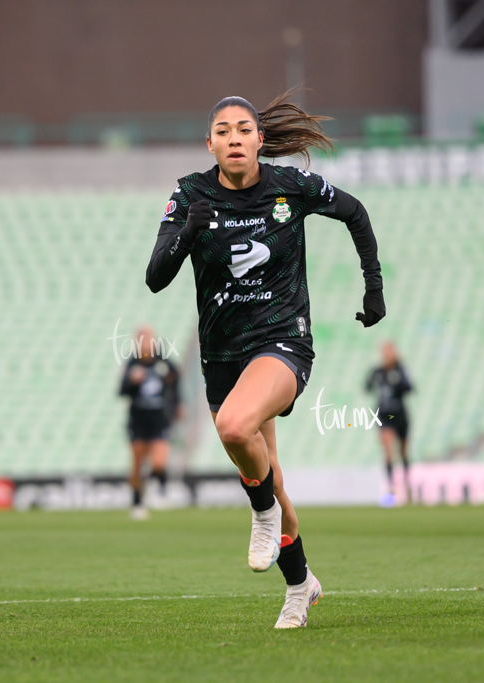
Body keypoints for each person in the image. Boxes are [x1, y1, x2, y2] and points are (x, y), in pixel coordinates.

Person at [145, 92, 384, 628]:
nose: (234, 138)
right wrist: (187, 233)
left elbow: (354, 212)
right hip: (221, 355)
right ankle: (301, 586)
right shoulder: (189, 194)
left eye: (244, 129)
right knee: (269, 479)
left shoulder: (290, 187)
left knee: (233, 427)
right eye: (223, 130)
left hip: (283, 340)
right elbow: (155, 277)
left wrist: (374, 288)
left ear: (259, 140)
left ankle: (260, 514)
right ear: (210, 143)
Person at [118, 326, 181, 520]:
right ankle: (137, 502)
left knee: (159, 462)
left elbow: (175, 383)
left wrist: (178, 405)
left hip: (159, 420)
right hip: (138, 421)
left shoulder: (164, 362)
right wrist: (132, 382)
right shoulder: (132, 364)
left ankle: (159, 492)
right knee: (138, 464)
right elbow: (122, 391)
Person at [365, 342, 414, 504]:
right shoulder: (378, 372)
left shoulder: (400, 370)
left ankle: (407, 485)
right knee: (388, 450)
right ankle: (392, 486)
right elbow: (367, 387)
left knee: (403, 451)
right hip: (385, 415)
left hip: (399, 414)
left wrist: (398, 380)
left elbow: (410, 388)